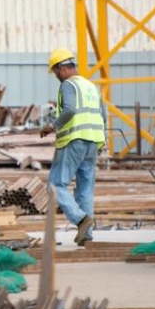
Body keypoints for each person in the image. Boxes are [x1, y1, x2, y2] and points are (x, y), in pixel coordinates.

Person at [40, 48, 106, 246]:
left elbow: (69, 110)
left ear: (61, 69)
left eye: (56, 72)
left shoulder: (69, 85)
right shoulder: (91, 86)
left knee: (55, 185)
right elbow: (103, 115)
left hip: (73, 140)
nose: (57, 77)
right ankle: (87, 236)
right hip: (93, 141)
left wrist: (52, 126)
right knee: (85, 189)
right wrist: (103, 140)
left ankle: (81, 219)